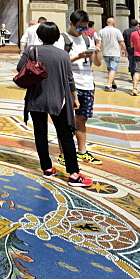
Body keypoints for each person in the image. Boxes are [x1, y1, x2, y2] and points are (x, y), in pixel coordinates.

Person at [17, 21, 92, 188]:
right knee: (65, 134)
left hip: (36, 98)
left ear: (40, 36)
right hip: (59, 99)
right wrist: (75, 98)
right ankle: (73, 174)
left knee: (40, 133)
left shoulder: (31, 50)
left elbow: (19, 67)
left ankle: (47, 168)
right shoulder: (63, 55)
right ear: (57, 36)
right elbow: (69, 79)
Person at [60, 10, 102, 167]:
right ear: (71, 23)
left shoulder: (86, 39)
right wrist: (78, 57)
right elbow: (60, 62)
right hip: (70, 85)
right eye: (79, 28)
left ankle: (82, 151)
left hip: (87, 84)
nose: (82, 31)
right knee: (66, 121)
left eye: (85, 28)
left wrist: (97, 51)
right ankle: (64, 153)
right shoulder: (62, 39)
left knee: (82, 119)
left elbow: (98, 63)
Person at [99, 16, 127, 91]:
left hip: (105, 52)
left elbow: (99, 42)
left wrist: (98, 49)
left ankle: (113, 83)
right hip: (115, 53)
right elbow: (121, 42)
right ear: (114, 23)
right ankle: (108, 85)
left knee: (110, 69)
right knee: (113, 69)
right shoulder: (117, 31)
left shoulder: (101, 31)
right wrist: (125, 50)